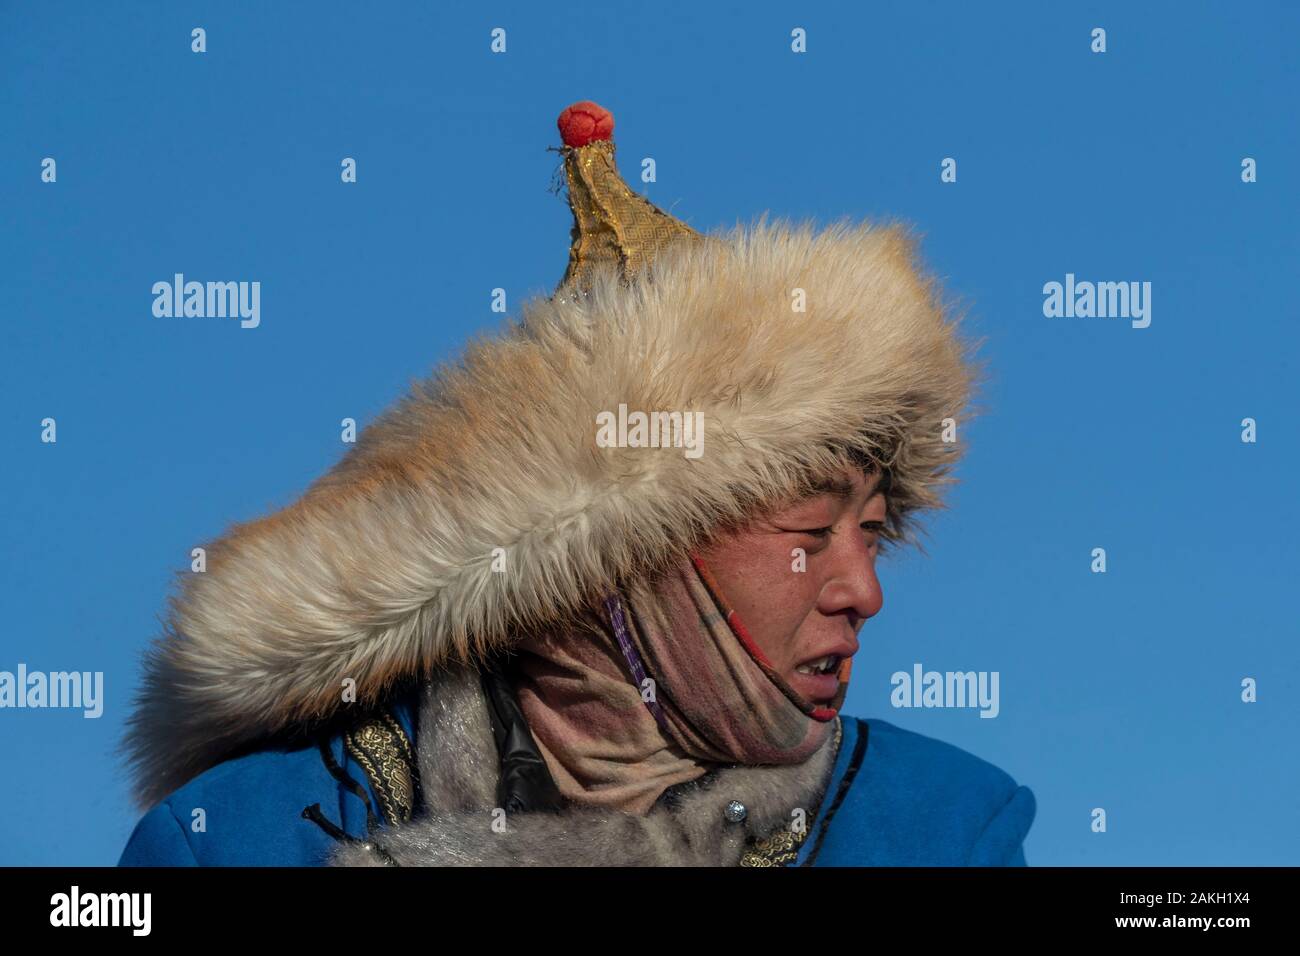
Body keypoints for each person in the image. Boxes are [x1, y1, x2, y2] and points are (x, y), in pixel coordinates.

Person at [118, 100, 1035, 867]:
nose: (864, 592)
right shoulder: (239, 839)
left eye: (871, 533)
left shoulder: (940, 832)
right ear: (621, 554)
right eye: (809, 535)